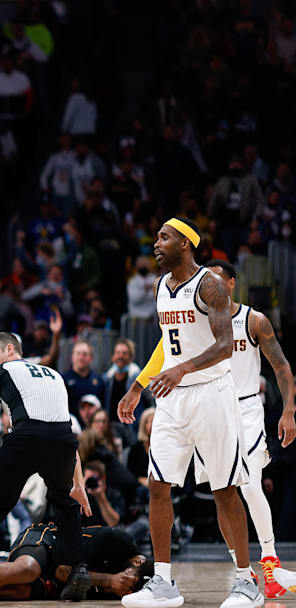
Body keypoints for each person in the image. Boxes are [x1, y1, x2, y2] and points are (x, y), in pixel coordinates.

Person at [117, 218, 263, 608]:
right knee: (158, 484)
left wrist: (182, 369)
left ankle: (246, 582)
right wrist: (137, 386)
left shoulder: (210, 285)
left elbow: (225, 345)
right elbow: (167, 344)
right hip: (172, 397)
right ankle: (163, 582)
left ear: (185, 243)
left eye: (164, 237)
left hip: (212, 394)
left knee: (224, 489)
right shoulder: (160, 286)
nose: (156, 244)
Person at [0, 332, 91, 605]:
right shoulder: (54, 375)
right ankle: (78, 570)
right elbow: (66, 431)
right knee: (65, 502)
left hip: (26, 438)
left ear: (9, 349)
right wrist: (78, 484)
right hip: (63, 443)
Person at [198, 260, 294, 598]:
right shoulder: (199, 321)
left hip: (246, 408)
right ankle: (243, 570)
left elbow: (281, 366)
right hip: (210, 407)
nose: (209, 285)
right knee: (222, 492)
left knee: (251, 486)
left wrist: (289, 410)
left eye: (215, 278)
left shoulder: (254, 319)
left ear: (231, 283)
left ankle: (269, 561)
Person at [0, 524, 152, 602]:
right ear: (137, 561)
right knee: (27, 570)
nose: (126, 587)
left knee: (19, 591)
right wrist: (110, 580)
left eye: (132, 589)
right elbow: (63, 570)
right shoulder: (114, 540)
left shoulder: (126, 592)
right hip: (46, 540)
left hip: (57, 580)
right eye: (131, 579)